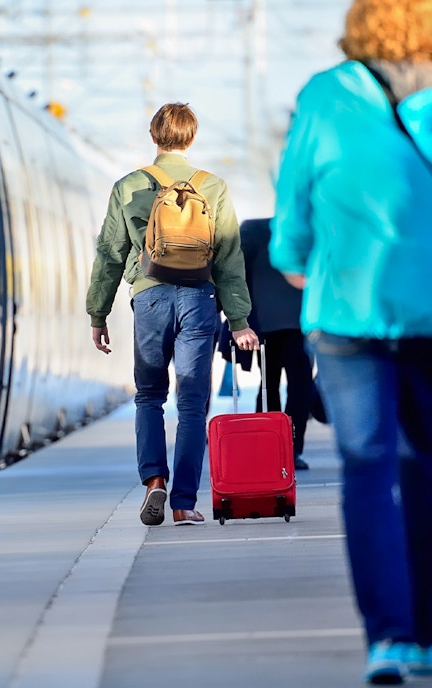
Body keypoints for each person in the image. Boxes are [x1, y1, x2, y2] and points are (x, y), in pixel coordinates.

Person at [270, 0, 432, 684]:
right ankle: (429, 639)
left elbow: (292, 221)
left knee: (367, 469)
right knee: (425, 468)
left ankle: (385, 639)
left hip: (346, 321)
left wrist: (304, 257)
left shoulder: (325, 96)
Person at [85, 102, 259, 528]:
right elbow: (230, 260)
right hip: (199, 300)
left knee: (149, 396)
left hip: (149, 298)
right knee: (194, 403)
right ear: (192, 138)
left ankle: (153, 482)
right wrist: (239, 321)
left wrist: (98, 312)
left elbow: (110, 254)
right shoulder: (213, 188)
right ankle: (184, 503)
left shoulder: (128, 186)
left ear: (154, 137)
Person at [239, 217, 315, 471]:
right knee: (298, 387)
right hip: (296, 325)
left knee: (269, 385)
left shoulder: (252, 235)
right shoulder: (305, 233)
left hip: (266, 325)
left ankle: (269, 449)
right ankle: (292, 450)